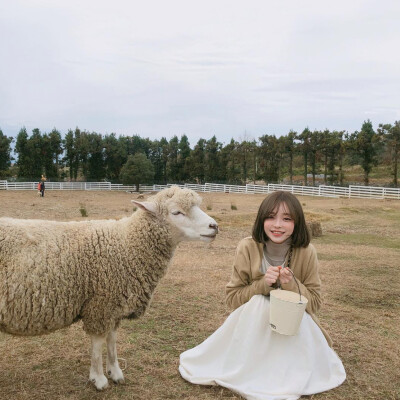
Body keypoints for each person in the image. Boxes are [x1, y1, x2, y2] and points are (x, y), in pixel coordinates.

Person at [179, 191, 346, 400]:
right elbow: (232, 299)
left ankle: (284, 371)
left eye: (286, 219)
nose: (277, 225)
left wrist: (292, 285)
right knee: (260, 302)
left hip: (292, 328)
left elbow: (314, 304)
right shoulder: (247, 246)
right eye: (270, 217)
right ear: (261, 219)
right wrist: (262, 285)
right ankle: (253, 368)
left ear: (297, 222)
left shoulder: (306, 251)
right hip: (253, 329)